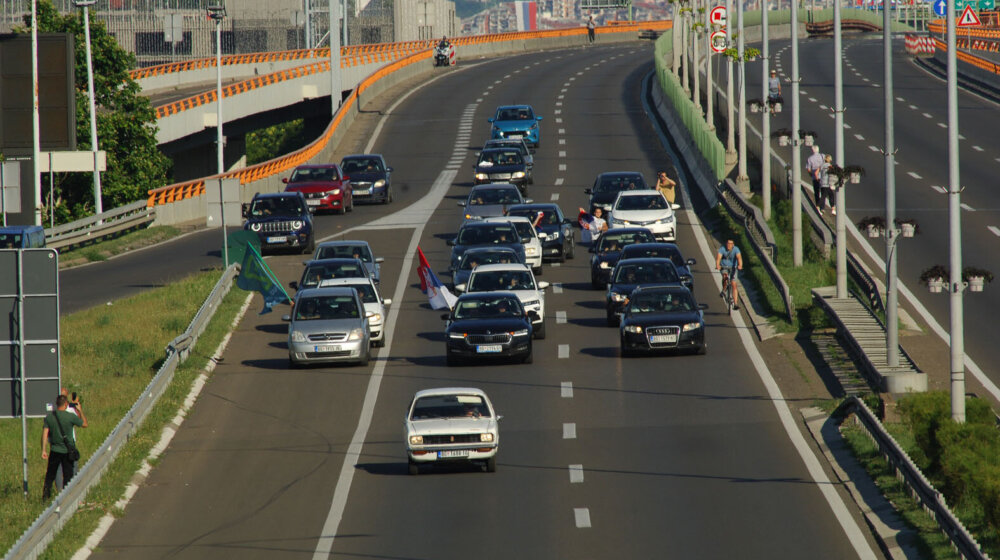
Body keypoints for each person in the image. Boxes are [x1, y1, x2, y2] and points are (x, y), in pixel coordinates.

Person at [42, 394, 88, 500]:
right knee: (68, 475)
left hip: (54, 450)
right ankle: (66, 497)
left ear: (56, 404)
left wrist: (43, 450)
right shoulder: (70, 416)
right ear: (66, 404)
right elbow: (85, 424)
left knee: (50, 475)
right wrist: (80, 410)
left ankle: (45, 497)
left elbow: (45, 434)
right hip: (67, 451)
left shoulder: (49, 417)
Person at [715, 238, 743, 310]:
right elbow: (718, 258)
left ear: (733, 245)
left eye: (730, 244)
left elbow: (739, 257)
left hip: (733, 268)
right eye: (728, 243)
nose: (729, 245)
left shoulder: (736, 249)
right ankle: (724, 290)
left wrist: (740, 265)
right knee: (725, 277)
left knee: (734, 284)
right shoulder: (722, 249)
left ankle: (735, 304)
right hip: (724, 267)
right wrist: (717, 265)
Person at [806, 145, 824, 211]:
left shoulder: (810, 158)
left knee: (816, 192)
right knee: (823, 192)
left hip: (815, 177)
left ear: (812, 150)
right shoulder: (823, 156)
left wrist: (811, 174)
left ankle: (818, 206)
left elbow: (808, 169)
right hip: (823, 176)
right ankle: (822, 207)